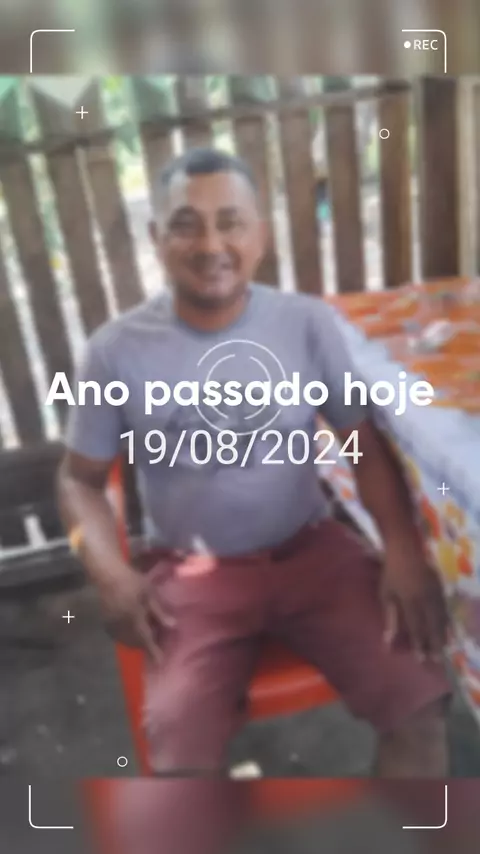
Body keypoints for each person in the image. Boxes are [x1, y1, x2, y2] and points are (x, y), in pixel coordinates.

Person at [58, 147, 451, 786]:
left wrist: (402, 550)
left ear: (261, 236)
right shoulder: (115, 351)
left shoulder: (305, 323)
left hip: (313, 553)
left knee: (420, 709)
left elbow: (359, 440)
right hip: (192, 578)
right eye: (186, 225)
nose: (211, 244)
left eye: (231, 222)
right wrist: (109, 573)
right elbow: (78, 481)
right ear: (156, 238)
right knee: (181, 760)